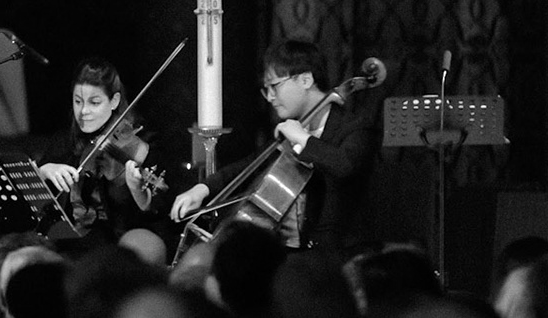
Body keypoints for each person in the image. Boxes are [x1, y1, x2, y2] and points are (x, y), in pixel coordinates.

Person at [168, 40, 380, 255]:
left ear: (305, 80)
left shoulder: (356, 127)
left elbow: (345, 166)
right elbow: (249, 166)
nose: (270, 97)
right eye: (266, 89)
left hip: (341, 255)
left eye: (274, 86)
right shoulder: (293, 127)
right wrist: (201, 189)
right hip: (293, 254)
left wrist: (303, 139)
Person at [35, 58, 166, 253]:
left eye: (94, 103)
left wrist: (137, 190)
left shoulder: (142, 143)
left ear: (114, 101)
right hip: (71, 240)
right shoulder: (66, 140)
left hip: (120, 246)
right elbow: (34, 199)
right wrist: (44, 171)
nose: (83, 111)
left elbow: (156, 211)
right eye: (78, 102)